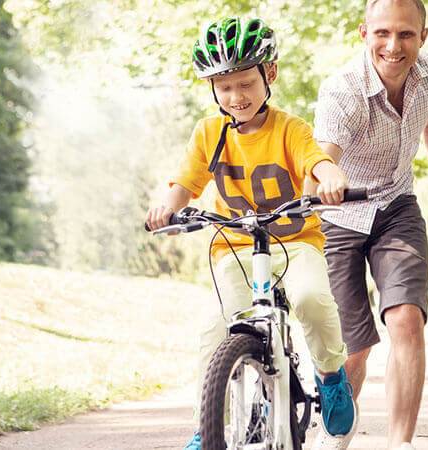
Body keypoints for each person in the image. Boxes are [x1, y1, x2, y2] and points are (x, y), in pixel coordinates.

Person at [145, 17, 356, 450]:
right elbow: (185, 183)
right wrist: (167, 207)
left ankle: (332, 376)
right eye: (224, 88)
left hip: (294, 242)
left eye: (245, 84)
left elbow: (316, 161)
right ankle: (210, 426)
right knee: (217, 330)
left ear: (269, 75)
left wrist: (332, 178)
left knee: (311, 299)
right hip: (235, 248)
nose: (236, 97)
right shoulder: (209, 133)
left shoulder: (289, 128)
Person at [310, 1, 428, 449]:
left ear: (423, 36)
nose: (393, 46)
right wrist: (328, 176)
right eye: (382, 33)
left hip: (396, 206)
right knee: (352, 349)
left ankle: (401, 444)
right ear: (364, 33)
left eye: (406, 35)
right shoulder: (344, 90)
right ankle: (334, 438)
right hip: (340, 218)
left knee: (406, 320)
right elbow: (323, 156)